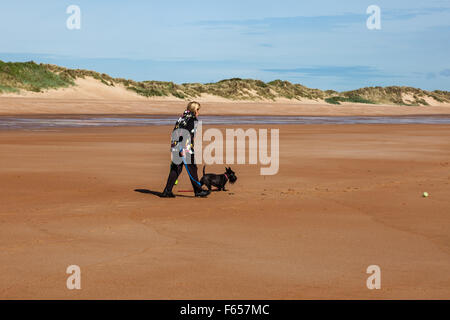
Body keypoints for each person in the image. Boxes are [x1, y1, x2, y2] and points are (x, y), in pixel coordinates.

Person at [161, 101, 210, 198]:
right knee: (192, 168)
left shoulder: (182, 117)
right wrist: (183, 149)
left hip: (176, 146)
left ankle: (167, 191)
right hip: (185, 148)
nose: (198, 112)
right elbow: (186, 134)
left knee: (176, 169)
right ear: (194, 110)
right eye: (198, 110)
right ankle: (198, 191)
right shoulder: (192, 120)